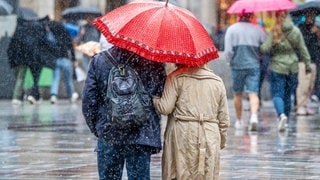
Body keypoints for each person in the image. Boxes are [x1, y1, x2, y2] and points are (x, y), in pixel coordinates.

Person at [82, 46, 166, 180]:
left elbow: (89, 100)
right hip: (140, 134)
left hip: (109, 132)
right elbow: (159, 95)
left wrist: (98, 128)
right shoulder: (151, 61)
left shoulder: (99, 60)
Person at [152, 63, 230, 179]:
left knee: (180, 173)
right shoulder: (217, 81)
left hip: (182, 134)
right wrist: (220, 142)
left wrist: (155, 98)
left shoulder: (175, 77)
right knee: (205, 174)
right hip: (210, 135)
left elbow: (165, 108)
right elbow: (224, 119)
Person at [260, 10, 312, 131]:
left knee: (278, 94)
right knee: (288, 95)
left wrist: (264, 42)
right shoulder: (296, 31)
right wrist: (307, 64)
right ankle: (286, 120)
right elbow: (303, 49)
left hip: (277, 67)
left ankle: (281, 115)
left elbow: (264, 49)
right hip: (292, 67)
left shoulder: (274, 31)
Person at [224, 12, 267, 131]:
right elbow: (264, 47)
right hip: (253, 65)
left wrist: (230, 61)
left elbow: (228, 51)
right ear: (251, 16)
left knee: (238, 94)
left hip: (237, 66)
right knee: (253, 92)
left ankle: (239, 120)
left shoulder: (231, 30)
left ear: (239, 16)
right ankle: (253, 117)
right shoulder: (258, 30)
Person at [47, 21, 79, 104]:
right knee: (68, 80)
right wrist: (74, 59)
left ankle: (53, 95)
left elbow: (49, 49)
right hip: (65, 60)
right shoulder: (66, 35)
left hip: (56, 59)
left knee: (55, 78)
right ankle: (71, 95)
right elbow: (71, 49)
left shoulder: (52, 36)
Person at [296, 10, 320, 115]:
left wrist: (318, 33)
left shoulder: (316, 28)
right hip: (304, 61)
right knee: (303, 84)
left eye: (313, 16)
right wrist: (312, 33)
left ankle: (305, 105)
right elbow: (302, 43)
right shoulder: (301, 28)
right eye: (309, 16)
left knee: (310, 85)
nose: (311, 18)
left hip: (314, 60)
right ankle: (300, 106)